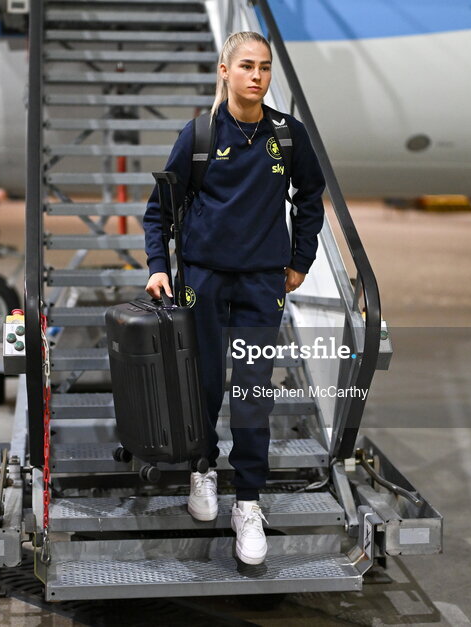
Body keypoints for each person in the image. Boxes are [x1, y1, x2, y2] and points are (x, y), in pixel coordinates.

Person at [142, 31, 326, 565]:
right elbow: (158, 210)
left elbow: (310, 197)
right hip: (203, 278)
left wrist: (300, 260)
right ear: (225, 70)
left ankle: (247, 501)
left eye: (265, 68)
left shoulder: (288, 137)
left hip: (262, 283)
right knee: (203, 386)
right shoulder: (198, 135)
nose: (257, 76)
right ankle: (203, 470)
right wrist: (158, 268)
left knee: (252, 392)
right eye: (246, 66)